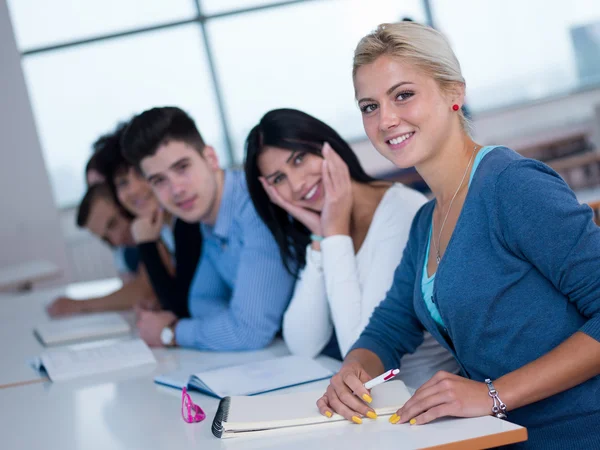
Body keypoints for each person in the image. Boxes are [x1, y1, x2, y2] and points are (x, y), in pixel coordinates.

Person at [317, 22, 600, 448]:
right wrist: (353, 370)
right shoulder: (426, 221)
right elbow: (390, 327)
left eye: (403, 95)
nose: (386, 119)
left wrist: (492, 394)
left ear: (454, 92)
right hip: (498, 436)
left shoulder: (511, 185)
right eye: (369, 106)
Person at [245, 108, 458, 386]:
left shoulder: (402, 211)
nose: (296, 184)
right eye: (278, 179)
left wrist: (333, 233)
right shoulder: (327, 230)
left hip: (427, 401)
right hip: (384, 405)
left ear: (328, 147)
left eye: (299, 159)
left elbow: (358, 351)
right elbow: (303, 345)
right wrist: (320, 239)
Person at [121, 106, 296, 350]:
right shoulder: (207, 218)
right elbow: (201, 302)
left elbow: (249, 332)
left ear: (211, 158)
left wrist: (170, 333)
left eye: (182, 168)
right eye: (159, 181)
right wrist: (231, 321)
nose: (176, 190)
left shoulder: (253, 206)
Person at [98, 122, 202, 318]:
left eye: (140, 174)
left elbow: (182, 306)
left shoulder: (188, 221)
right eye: (122, 183)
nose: (134, 189)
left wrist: (146, 243)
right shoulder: (168, 227)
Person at [47, 183, 157, 316]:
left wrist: (79, 305)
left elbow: (144, 289)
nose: (116, 240)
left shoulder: (159, 230)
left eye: (113, 223)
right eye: (106, 238)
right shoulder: (130, 251)